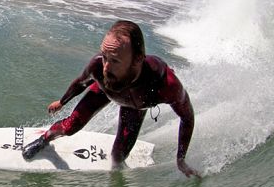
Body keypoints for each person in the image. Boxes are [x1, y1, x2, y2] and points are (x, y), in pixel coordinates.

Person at [23, 20, 200, 178]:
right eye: (104, 56)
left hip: (135, 106)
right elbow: (81, 82)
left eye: (114, 61)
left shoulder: (165, 84)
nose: (105, 67)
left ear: (138, 59)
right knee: (70, 127)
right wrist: (62, 102)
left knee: (118, 157)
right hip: (103, 90)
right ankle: (45, 138)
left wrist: (180, 159)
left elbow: (187, 116)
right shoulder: (98, 68)